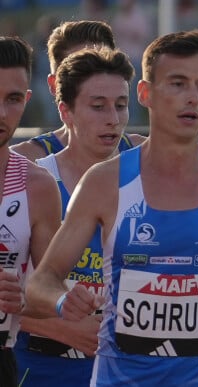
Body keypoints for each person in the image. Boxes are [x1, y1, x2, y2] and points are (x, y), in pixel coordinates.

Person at [24, 28, 198, 386]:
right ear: (145, 93)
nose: (192, 97)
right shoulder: (105, 181)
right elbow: (42, 282)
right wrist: (63, 303)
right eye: (177, 83)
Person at [14, 46, 135, 387]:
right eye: (98, 106)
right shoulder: (34, 182)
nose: (113, 118)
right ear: (65, 111)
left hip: (127, 369)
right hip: (40, 368)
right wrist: (59, 324)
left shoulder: (151, 183)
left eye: (121, 105)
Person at [0, 35, 61, 387]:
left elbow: (47, 290)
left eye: (12, 99)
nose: (1, 113)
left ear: (26, 100)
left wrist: (27, 297)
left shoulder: (38, 186)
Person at [10, 20, 146, 162]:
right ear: (54, 84)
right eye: (78, 69)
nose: (94, 77)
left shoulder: (144, 155)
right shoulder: (24, 161)